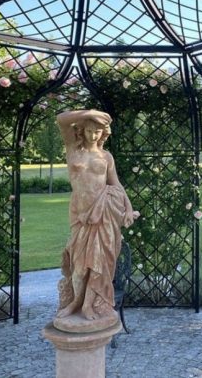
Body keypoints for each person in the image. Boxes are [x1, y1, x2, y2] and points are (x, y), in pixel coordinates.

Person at [55, 109, 135, 321]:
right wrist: (89, 113)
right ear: (82, 130)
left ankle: (89, 305)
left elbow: (115, 184)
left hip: (104, 214)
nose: (93, 135)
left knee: (98, 264)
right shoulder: (73, 149)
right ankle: (75, 303)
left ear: (103, 133)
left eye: (98, 131)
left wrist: (127, 208)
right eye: (89, 130)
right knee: (79, 266)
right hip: (80, 215)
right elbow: (62, 120)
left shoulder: (106, 156)